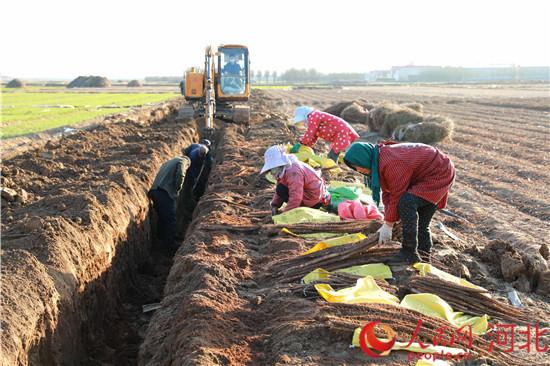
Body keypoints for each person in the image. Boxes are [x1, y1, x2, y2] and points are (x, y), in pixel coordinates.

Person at [344, 142, 455, 264]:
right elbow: (388, 193)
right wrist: (388, 219)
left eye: (357, 166)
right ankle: (424, 259)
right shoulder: (379, 159)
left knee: (406, 202)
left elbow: (397, 194)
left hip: (438, 172)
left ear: (364, 158)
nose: (358, 170)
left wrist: (388, 225)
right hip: (429, 171)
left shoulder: (391, 163)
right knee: (421, 223)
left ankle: (409, 252)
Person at [260, 145, 330, 215]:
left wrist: (285, 214)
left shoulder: (293, 172)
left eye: (272, 169)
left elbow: (296, 197)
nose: (271, 173)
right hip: (309, 195)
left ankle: (304, 207)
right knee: (281, 188)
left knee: (282, 190)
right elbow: (280, 187)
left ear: (278, 165)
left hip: (314, 198)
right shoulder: (284, 170)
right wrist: (275, 205)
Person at [288, 106, 359, 163]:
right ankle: (333, 167)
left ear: (304, 115)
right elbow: (314, 136)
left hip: (342, 132)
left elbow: (310, 133)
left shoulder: (314, 116)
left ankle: (332, 170)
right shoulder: (314, 117)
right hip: (341, 132)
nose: (302, 122)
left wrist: (301, 143)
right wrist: (306, 145)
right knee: (333, 154)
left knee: (332, 155)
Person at [148, 155, 190, 250]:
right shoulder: (184, 161)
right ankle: (170, 244)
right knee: (170, 218)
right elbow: (180, 174)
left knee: (162, 218)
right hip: (164, 192)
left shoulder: (169, 162)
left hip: (155, 191)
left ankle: (161, 240)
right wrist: (177, 189)